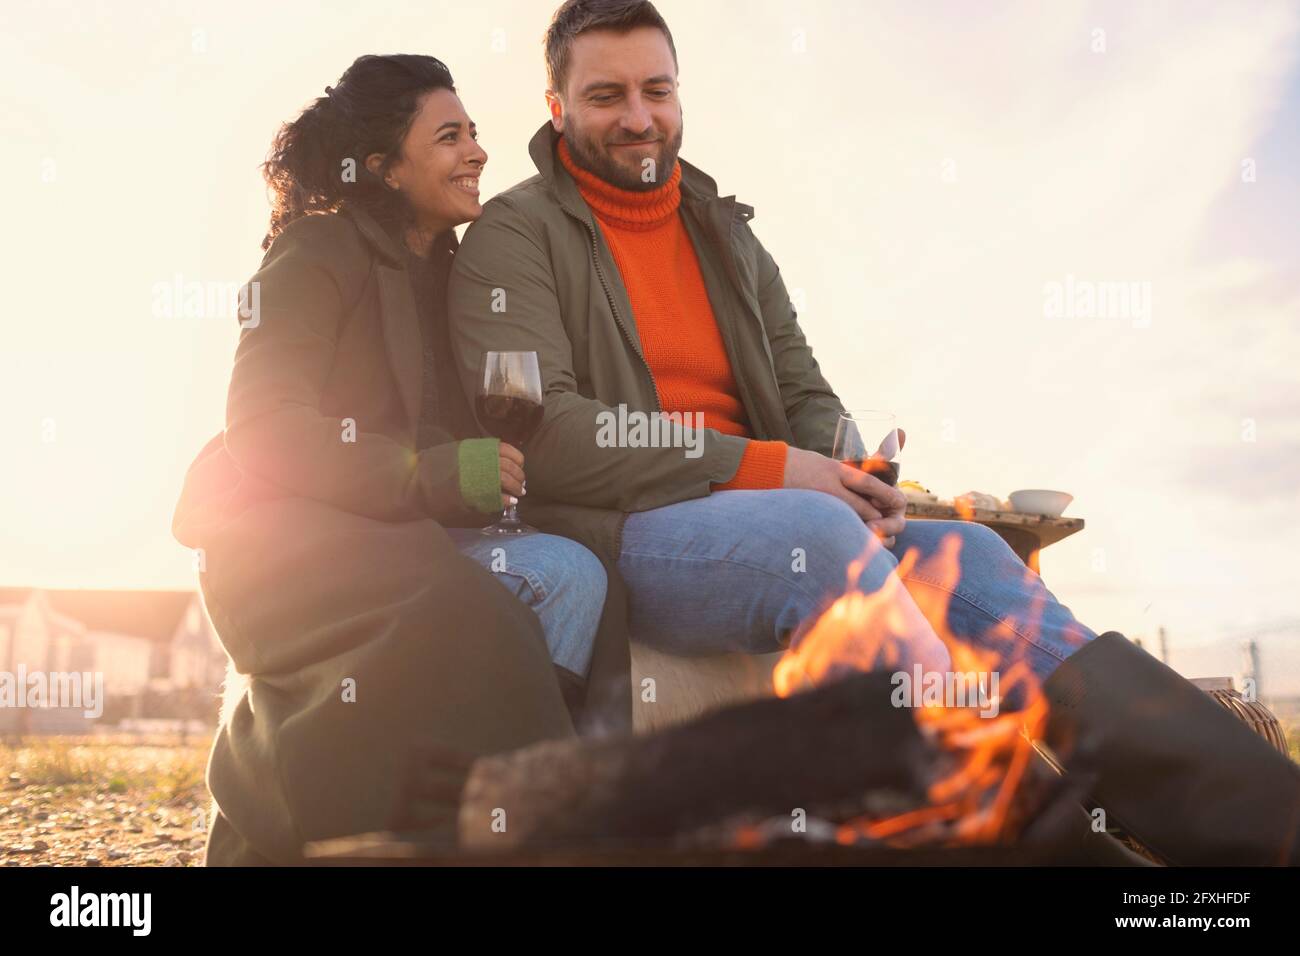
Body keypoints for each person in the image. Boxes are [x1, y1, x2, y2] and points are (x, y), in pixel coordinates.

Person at [447, 0, 1300, 865]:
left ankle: (1261, 829)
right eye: (605, 95)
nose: (637, 117)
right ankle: (1052, 854)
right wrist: (774, 470)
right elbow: (548, 432)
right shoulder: (513, 234)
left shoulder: (727, 235)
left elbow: (807, 391)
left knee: (976, 557)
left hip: (776, 508)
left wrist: (854, 468)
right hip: (624, 530)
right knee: (818, 536)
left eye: (655, 89)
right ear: (557, 107)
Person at [171, 54, 622, 866]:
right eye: (448, 137)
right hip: (292, 537)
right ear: (382, 166)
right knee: (484, 613)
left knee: (576, 573)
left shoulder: (457, 271)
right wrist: (438, 474)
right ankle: (313, 821)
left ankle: (485, 818)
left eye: (475, 132)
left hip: (396, 529)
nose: (478, 152)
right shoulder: (317, 251)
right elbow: (264, 424)